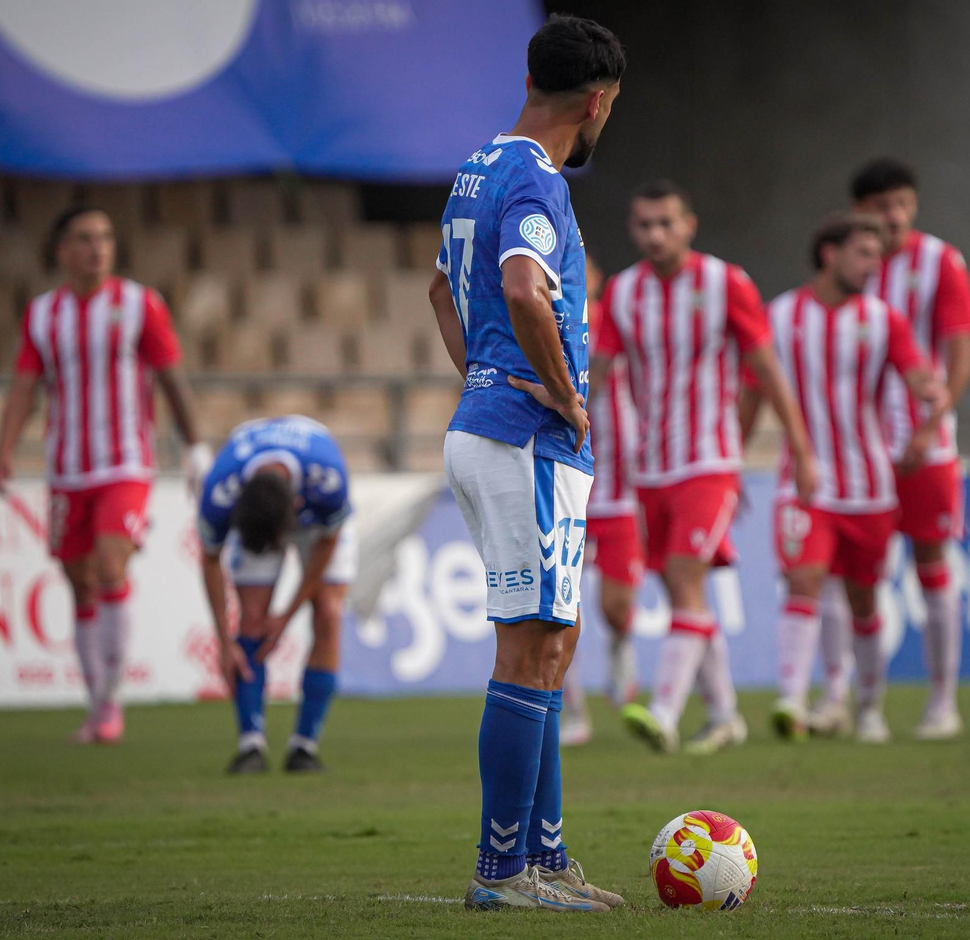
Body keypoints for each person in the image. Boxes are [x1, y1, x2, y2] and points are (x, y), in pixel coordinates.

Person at [425, 14, 626, 913]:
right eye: (609, 108)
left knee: (553, 641)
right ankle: (503, 873)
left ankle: (542, 860)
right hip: (524, 440)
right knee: (529, 645)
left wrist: (483, 379)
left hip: (494, 427)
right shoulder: (538, 181)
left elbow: (440, 287)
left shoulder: (479, 165)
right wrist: (557, 392)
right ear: (595, 101)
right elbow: (518, 286)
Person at [596, 180, 819, 756]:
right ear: (632, 229)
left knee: (685, 577)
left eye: (666, 223)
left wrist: (803, 449)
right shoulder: (622, 294)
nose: (655, 235)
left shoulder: (726, 284)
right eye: (644, 225)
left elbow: (766, 371)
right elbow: (598, 372)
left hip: (709, 458)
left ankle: (665, 712)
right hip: (650, 468)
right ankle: (724, 716)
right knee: (681, 592)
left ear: (689, 226)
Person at [0, 206, 210, 746]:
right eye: (85, 239)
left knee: (111, 564)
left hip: (124, 462)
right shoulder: (42, 315)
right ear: (61, 249)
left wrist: (197, 446)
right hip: (66, 468)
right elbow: (24, 384)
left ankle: (110, 705)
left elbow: (171, 379)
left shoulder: (140, 306)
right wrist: (3, 448)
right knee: (78, 582)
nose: (97, 248)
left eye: (106, 238)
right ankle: (96, 705)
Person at [745, 215, 948, 745]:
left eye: (876, 257)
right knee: (804, 579)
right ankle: (791, 698)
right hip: (804, 480)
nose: (872, 266)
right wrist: (736, 460)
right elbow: (753, 388)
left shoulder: (885, 320)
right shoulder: (782, 315)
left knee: (863, 600)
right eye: (862, 254)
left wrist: (931, 400)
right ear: (830, 254)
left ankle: (868, 706)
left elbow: (919, 377)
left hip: (869, 485)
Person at [851, 158, 970, 740]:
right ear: (862, 213)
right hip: (860, 451)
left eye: (902, 202)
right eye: (881, 206)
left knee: (932, 564)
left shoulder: (940, 263)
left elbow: (960, 351)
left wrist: (933, 423)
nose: (894, 215)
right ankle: (861, 705)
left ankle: (942, 701)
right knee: (857, 579)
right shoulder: (851, 268)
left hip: (926, 447)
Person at [196, 415, 356, 775]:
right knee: (251, 621)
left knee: (328, 613)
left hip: (319, 521)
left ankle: (304, 748)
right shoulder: (220, 490)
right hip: (264, 500)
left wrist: (287, 616)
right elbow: (208, 559)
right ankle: (250, 745)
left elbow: (328, 541)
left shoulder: (327, 479)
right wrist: (224, 640)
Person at [560, 257, 644, 748]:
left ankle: (621, 645)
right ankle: (574, 712)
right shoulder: (548, 322)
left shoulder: (616, 323)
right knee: (560, 606)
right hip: (567, 480)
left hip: (618, 489)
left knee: (615, 605)